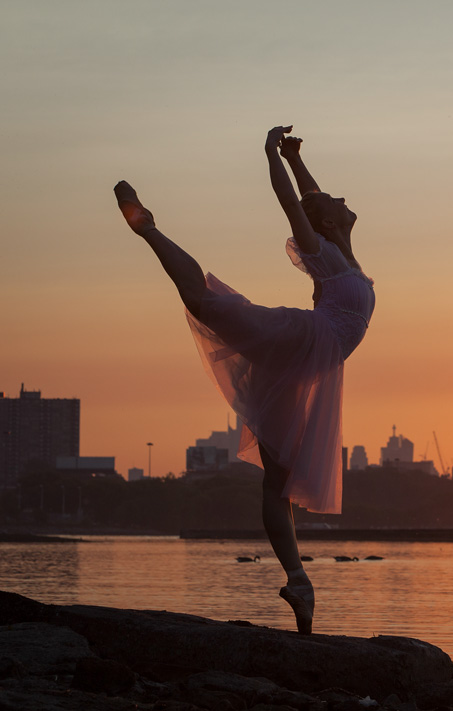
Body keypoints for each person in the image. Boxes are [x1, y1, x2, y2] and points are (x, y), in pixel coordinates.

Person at [114, 126, 375, 634]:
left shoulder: (343, 249)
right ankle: (147, 228)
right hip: (303, 341)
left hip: (308, 362)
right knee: (207, 300)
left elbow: (315, 199)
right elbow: (295, 201)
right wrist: (269, 156)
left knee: (276, 484)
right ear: (323, 221)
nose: (342, 197)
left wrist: (297, 157)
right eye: (333, 200)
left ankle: (299, 582)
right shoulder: (322, 250)